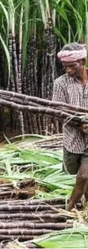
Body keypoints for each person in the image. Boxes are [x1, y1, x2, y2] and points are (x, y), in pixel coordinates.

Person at [52, 42, 88, 211]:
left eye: (72, 66)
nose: (68, 70)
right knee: (76, 173)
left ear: (83, 62)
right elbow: (58, 112)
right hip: (73, 138)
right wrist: (80, 125)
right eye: (65, 66)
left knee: (83, 176)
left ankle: (69, 208)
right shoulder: (60, 83)